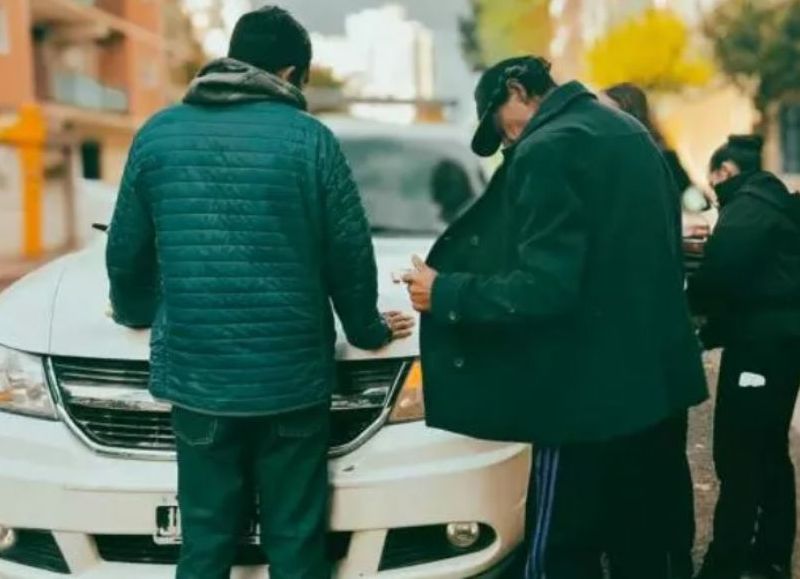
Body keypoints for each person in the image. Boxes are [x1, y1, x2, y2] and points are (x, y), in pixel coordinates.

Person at [105, 7, 413, 579]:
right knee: (295, 541)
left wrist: (136, 311)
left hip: (199, 379)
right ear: (291, 72)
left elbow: (125, 252)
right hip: (291, 383)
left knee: (204, 543)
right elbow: (349, 256)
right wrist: (368, 329)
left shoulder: (158, 135)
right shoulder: (311, 140)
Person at [402, 55, 708, 579]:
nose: (508, 141)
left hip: (582, 393)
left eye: (501, 125)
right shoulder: (629, 132)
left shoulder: (548, 147)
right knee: (641, 546)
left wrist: (445, 291)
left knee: (559, 551)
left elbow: (545, 287)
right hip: (653, 387)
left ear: (518, 90)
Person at [690, 135, 800, 579]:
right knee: (770, 449)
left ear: (724, 172)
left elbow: (720, 277)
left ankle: (725, 562)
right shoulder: (773, 201)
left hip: (759, 351)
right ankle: (772, 556)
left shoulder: (747, 207)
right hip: (781, 346)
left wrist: (694, 309)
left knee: (737, 453)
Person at [601, 81, 698, 579]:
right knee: (667, 457)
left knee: (644, 458)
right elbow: (695, 200)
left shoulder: (630, 164)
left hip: (643, 336)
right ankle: (674, 556)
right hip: (668, 330)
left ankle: (652, 557)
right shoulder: (664, 159)